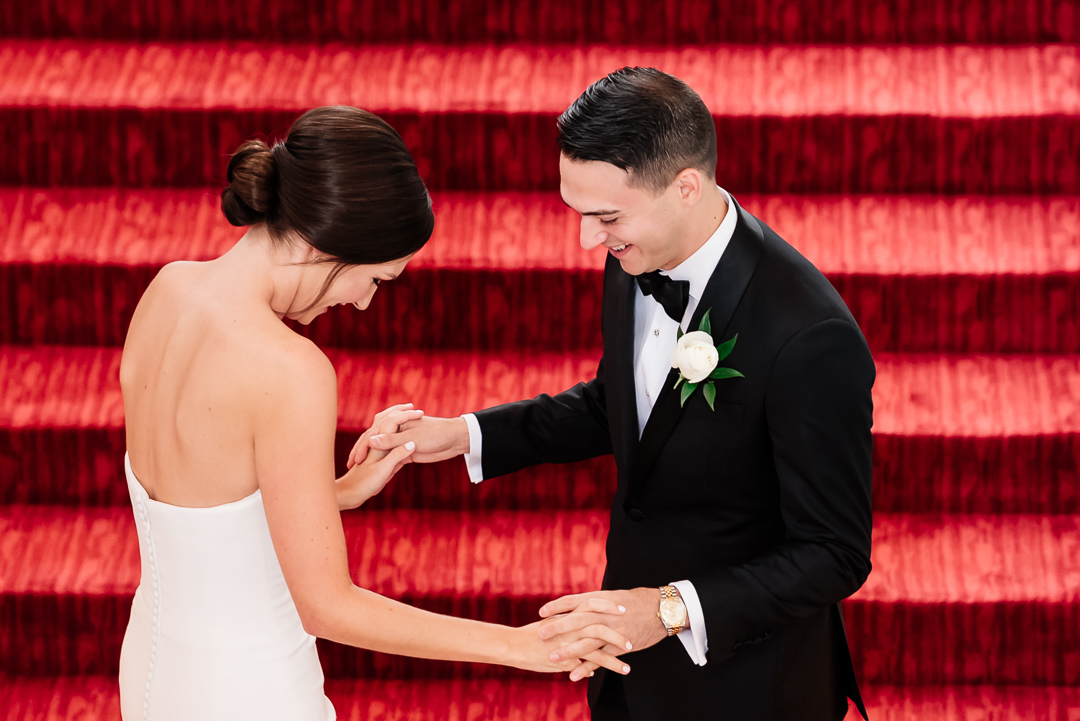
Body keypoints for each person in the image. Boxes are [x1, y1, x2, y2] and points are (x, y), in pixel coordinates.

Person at [359, 69, 876, 720]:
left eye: (603, 217)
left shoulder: (809, 336)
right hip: (628, 663)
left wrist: (666, 608)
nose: (587, 240)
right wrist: (464, 433)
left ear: (686, 188)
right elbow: (622, 404)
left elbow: (834, 552)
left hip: (749, 683)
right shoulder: (634, 253)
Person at [117, 105, 631, 721]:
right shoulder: (289, 368)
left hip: (157, 662)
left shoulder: (168, 290)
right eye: (378, 280)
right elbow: (328, 608)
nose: (362, 304)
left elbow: (204, 505)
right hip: (248, 683)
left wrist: (338, 491)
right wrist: (519, 644)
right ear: (330, 241)